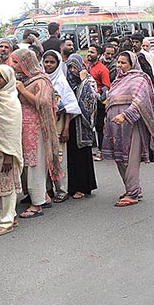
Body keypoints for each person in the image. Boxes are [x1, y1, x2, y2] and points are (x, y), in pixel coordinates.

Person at [8, 49, 63, 218]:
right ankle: (42, 197)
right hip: (23, 128)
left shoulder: (41, 80)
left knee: (35, 165)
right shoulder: (23, 79)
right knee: (26, 163)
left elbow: (45, 103)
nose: (13, 65)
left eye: (16, 62)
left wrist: (23, 91)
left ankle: (37, 204)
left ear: (27, 63)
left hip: (35, 129)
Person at [101, 51, 154, 207]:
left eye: (123, 63)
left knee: (131, 158)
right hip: (115, 126)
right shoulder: (118, 81)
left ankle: (132, 194)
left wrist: (125, 115)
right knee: (119, 157)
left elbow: (140, 100)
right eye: (118, 62)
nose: (119, 66)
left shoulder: (140, 79)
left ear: (132, 63)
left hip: (132, 125)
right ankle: (133, 189)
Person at [43, 50, 82, 203]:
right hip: (44, 124)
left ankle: (62, 189)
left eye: (52, 62)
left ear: (58, 64)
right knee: (45, 157)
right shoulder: (42, 80)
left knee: (58, 158)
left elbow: (69, 108)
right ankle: (47, 189)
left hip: (58, 125)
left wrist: (66, 129)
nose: (48, 65)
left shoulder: (61, 81)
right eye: (46, 61)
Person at [0, 66, 23, 236]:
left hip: (7, 151)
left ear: (8, 79)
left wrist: (10, 154)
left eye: (0, 76)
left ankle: (7, 221)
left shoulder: (11, 101)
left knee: (7, 185)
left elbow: (12, 130)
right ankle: (10, 216)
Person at [65, 55, 99, 199]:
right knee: (71, 156)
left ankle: (83, 187)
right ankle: (72, 186)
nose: (73, 70)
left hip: (83, 123)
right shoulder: (66, 81)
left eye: (75, 67)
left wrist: (84, 81)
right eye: (70, 67)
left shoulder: (88, 80)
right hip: (70, 122)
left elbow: (93, 98)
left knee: (82, 156)